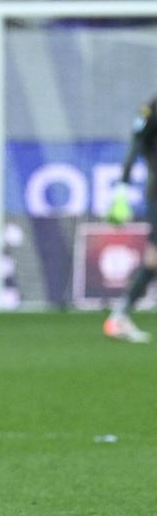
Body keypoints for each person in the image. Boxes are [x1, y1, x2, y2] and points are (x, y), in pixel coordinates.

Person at [104, 95, 157, 343]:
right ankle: (119, 316)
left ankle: (120, 316)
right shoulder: (153, 107)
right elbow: (136, 142)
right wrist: (122, 189)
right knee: (154, 258)